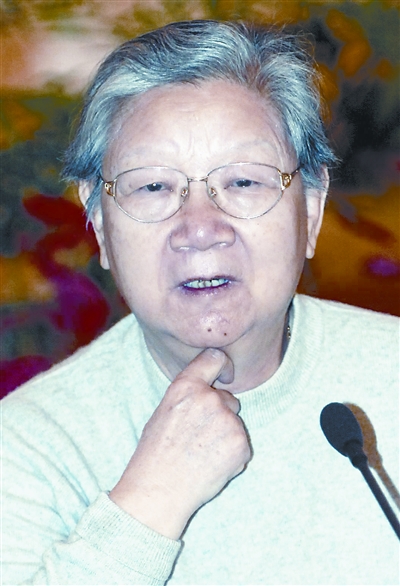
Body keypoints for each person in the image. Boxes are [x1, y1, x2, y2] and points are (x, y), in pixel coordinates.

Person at [2, 20, 399, 586]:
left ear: (310, 209)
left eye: (243, 182)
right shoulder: (28, 447)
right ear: (99, 223)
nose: (201, 228)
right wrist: (149, 503)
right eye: (153, 187)